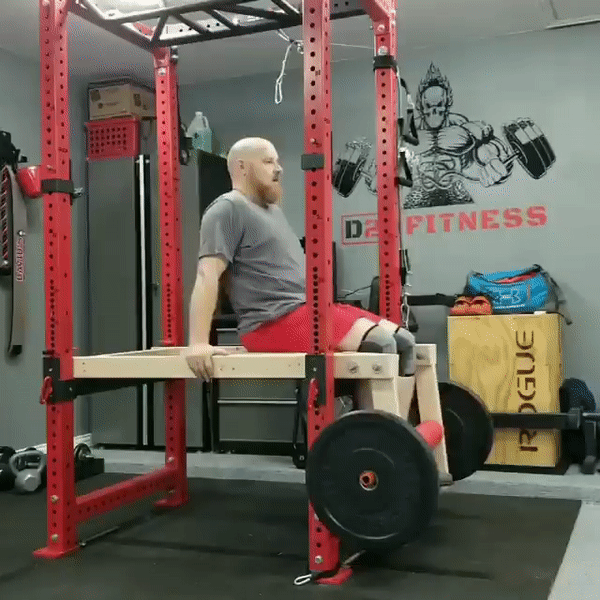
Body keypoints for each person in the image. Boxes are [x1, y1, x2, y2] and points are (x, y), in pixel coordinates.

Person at [182, 137, 415, 392]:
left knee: (404, 341)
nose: (278, 168)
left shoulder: (272, 211)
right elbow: (207, 275)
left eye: (277, 162)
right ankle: (375, 419)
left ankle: (390, 419)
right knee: (381, 344)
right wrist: (198, 342)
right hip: (271, 324)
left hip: (306, 312)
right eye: (268, 162)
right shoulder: (227, 208)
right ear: (242, 167)